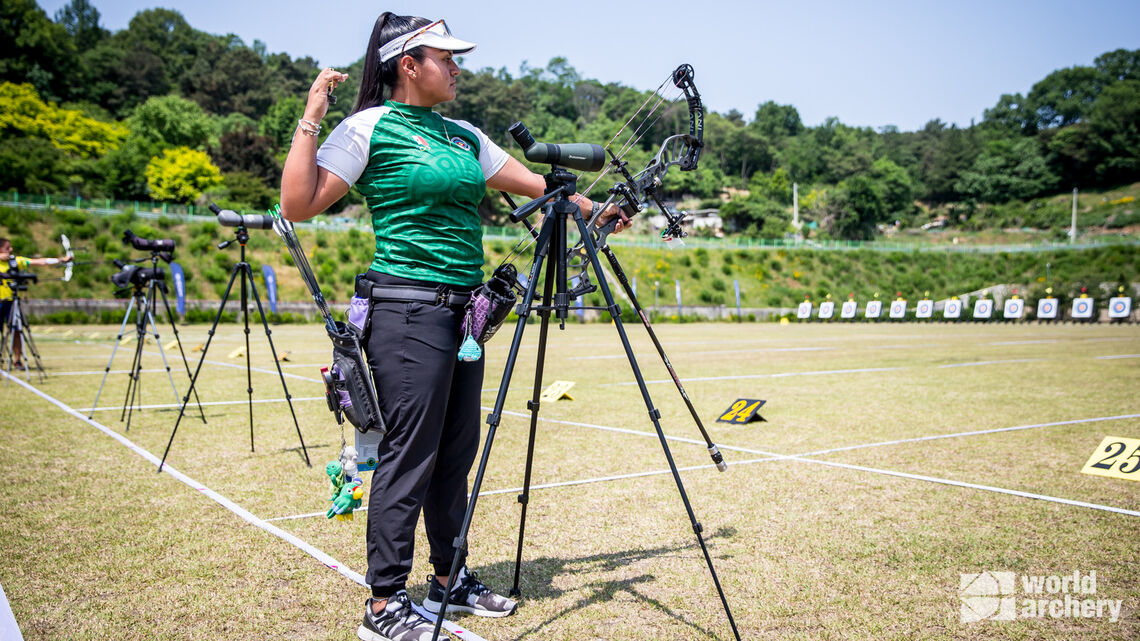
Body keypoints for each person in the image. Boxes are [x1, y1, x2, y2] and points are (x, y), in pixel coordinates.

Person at [280, 13, 624, 641]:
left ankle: (449, 581)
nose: (457, 68)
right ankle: (384, 605)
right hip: (405, 311)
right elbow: (297, 204)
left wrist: (597, 208)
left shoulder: (464, 135)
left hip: (465, 316)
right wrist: (311, 116)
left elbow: (541, 186)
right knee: (409, 456)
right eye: (446, 58)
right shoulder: (371, 127)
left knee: (455, 455)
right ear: (408, 66)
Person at [0, 238, 72, 369]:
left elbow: (39, 262)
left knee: (17, 331)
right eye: (7, 248)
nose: (10, 250)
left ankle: (17, 360)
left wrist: (60, 260)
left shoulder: (15, 261)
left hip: (11, 302)